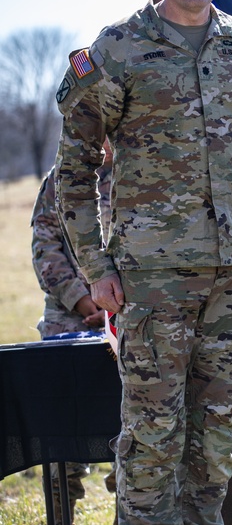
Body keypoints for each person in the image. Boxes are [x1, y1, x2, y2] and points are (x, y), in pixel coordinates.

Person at [54, 0, 232, 525]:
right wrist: (96, 270)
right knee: (153, 436)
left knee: (217, 432)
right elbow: (73, 171)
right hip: (151, 275)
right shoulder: (118, 49)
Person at [30, 153, 111, 523]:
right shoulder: (60, 179)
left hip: (132, 324)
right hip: (68, 324)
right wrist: (84, 301)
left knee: (139, 428)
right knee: (62, 440)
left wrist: (115, 310)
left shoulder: (143, 172)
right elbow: (45, 247)